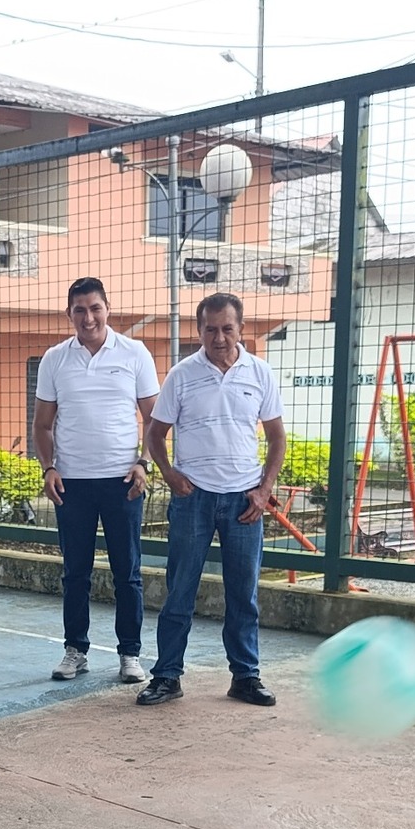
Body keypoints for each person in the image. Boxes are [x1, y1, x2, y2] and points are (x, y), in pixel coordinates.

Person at [137, 292, 285, 709]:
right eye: (210, 329)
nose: (219, 338)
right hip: (193, 499)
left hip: (244, 502)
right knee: (180, 591)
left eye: (227, 329)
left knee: (243, 594)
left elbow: (277, 438)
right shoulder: (181, 375)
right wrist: (170, 474)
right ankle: (167, 676)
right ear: (199, 330)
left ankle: (245, 676)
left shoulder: (260, 373)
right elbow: (155, 434)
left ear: (241, 329)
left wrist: (264, 490)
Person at [32, 277, 158, 686]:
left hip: (123, 481)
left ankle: (130, 654)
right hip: (72, 485)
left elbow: (155, 419)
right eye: (80, 310)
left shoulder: (135, 353)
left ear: (108, 309)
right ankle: (76, 651)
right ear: (69, 314)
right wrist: (49, 468)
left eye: (95, 308)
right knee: (75, 574)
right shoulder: (54, 359)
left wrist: (143, 463)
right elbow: (42, 425)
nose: (88, 318)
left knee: (128, 573)